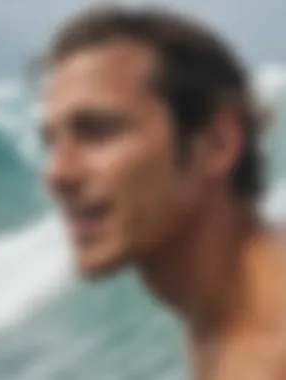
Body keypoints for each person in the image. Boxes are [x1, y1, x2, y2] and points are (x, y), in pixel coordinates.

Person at [40, 6, 286, 379]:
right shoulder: (213, 322)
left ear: (217, 143)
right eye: (51, 142)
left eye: (98, 132)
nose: (57, 174)